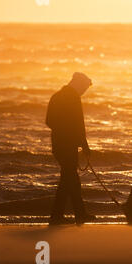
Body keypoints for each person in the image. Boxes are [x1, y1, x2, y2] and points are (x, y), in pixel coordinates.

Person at [46, 72, 96, 225]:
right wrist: (85, 146)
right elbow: (79, 126)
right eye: (84, 88)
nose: (84, 92)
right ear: (78, 84)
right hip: (68, 146)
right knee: (69, 180)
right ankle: (62, 216)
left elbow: (49, 121)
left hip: (58, 145)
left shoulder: (56, 96)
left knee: (70, 179)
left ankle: (75, 214)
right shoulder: (74, 98)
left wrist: (63, 132)